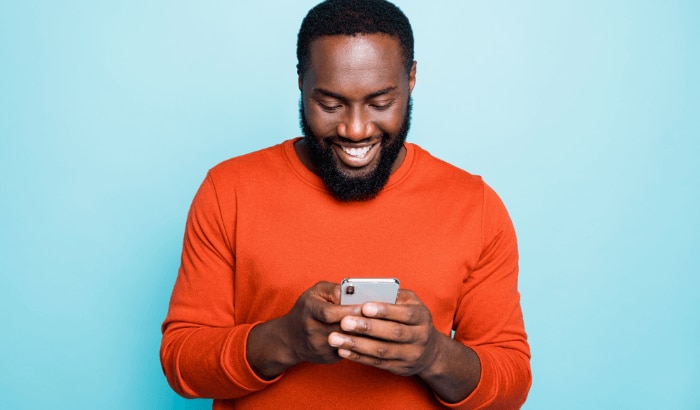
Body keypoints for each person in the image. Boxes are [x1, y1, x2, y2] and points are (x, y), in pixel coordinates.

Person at [160, 0, 531, 408]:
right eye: (331, 104)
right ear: (301, 82)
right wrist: (285, 339)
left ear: (411, 80)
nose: (356, 129)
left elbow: (510, 387)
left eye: (379, 103)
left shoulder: (473, 206)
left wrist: (433, 355)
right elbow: (182, 362)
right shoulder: (228, 190)